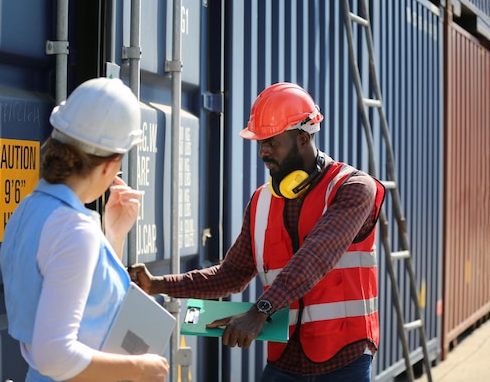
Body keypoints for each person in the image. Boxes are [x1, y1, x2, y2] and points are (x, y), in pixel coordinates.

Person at [130, 82, 385, 381]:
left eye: (272, 142)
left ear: (302, 138)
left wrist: (259, 311)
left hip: (343, 360)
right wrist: (156, 285)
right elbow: (231, 275)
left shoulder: (353, 188)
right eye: (260, 142)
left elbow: (317, 256)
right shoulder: (262, 202)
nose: (263, 151)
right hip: (285, 360)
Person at [0, 77, 169, 382]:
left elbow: (86, 306)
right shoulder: (74, 230)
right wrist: (141, 368)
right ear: (108, 166)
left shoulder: (29, 211)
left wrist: (113, 236)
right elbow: (55, 355)